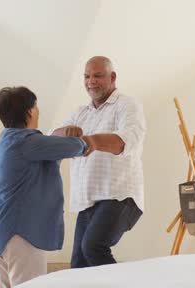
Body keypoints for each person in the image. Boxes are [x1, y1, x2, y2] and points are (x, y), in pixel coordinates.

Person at [0, 86, 115, 288]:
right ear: (29, 111)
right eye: (35, 106)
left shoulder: (6, 141)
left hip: (0, 232)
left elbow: (50, 146)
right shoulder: (27, 142)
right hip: (20, 234)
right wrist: (87, 141)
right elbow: (75, 147)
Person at [52, 56, 147, 268]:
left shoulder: (128, 105)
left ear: (112, 77)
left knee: (93, 247)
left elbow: (126, 141)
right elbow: (52, 137)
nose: (91, 82)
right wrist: (65, 132)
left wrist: (91, 141)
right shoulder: (80, 113)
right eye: (86, 77)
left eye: (97, 76)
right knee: (78, 265)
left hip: (120, 196)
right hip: (87, 202)